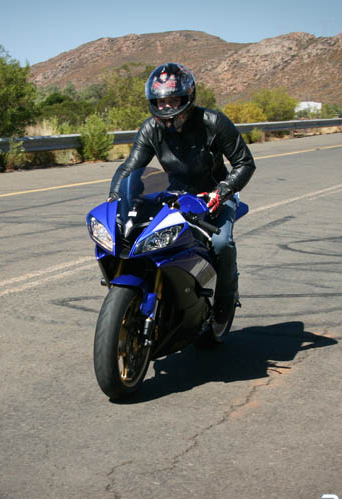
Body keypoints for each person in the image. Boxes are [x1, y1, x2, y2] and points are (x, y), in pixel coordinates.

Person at [108, 62, 256, 324]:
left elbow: (244, 162)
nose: (166, 107)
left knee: (222, 244)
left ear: (187, 97)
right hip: (173, 195)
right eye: (160, 101)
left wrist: (223, 191)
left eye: (172, 99)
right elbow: (131, 166)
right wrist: (115, 196)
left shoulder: (213, 122)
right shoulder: (150, 129)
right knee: (138, 237)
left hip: (215, 195)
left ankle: (224, 305)